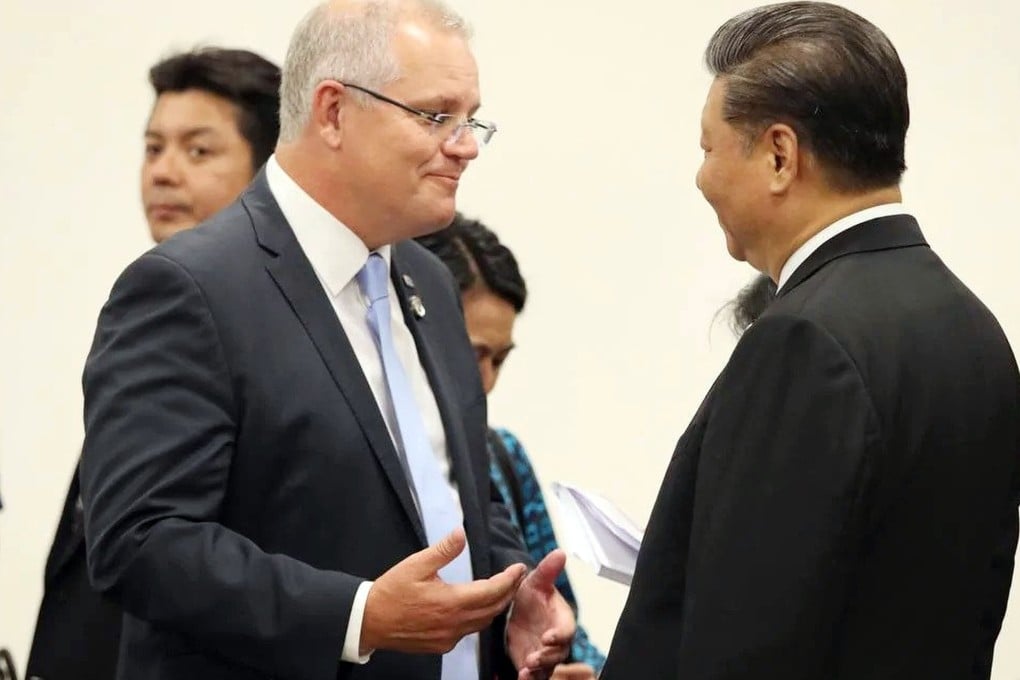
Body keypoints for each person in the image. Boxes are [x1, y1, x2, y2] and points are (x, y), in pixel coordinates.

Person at [78, 1, 575, 679]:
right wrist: (357, 616)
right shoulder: (188, 289)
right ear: (334, 111)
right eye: (436, 116)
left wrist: (510, 596)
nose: (466, 146)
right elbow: (139, 542)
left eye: (471, 119)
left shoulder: (429, 280)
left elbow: (453, 487)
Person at [601, 2, 1020, 678]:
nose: (701, 176)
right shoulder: (974, 329)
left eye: (707, 148)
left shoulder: (803, 341)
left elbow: (748, 644)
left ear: (779, 155)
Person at [26, 46, 282, 680]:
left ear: (269, 170)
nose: (163, 172)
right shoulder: (157, 297)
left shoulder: (280, 331)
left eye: (198, 151)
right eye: (153, 148)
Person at [417, 215, 606, 679]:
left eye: (499, 359)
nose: (486, 381)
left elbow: (558, 617)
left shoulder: (502, 455)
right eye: (473, 354)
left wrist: (570, 666)